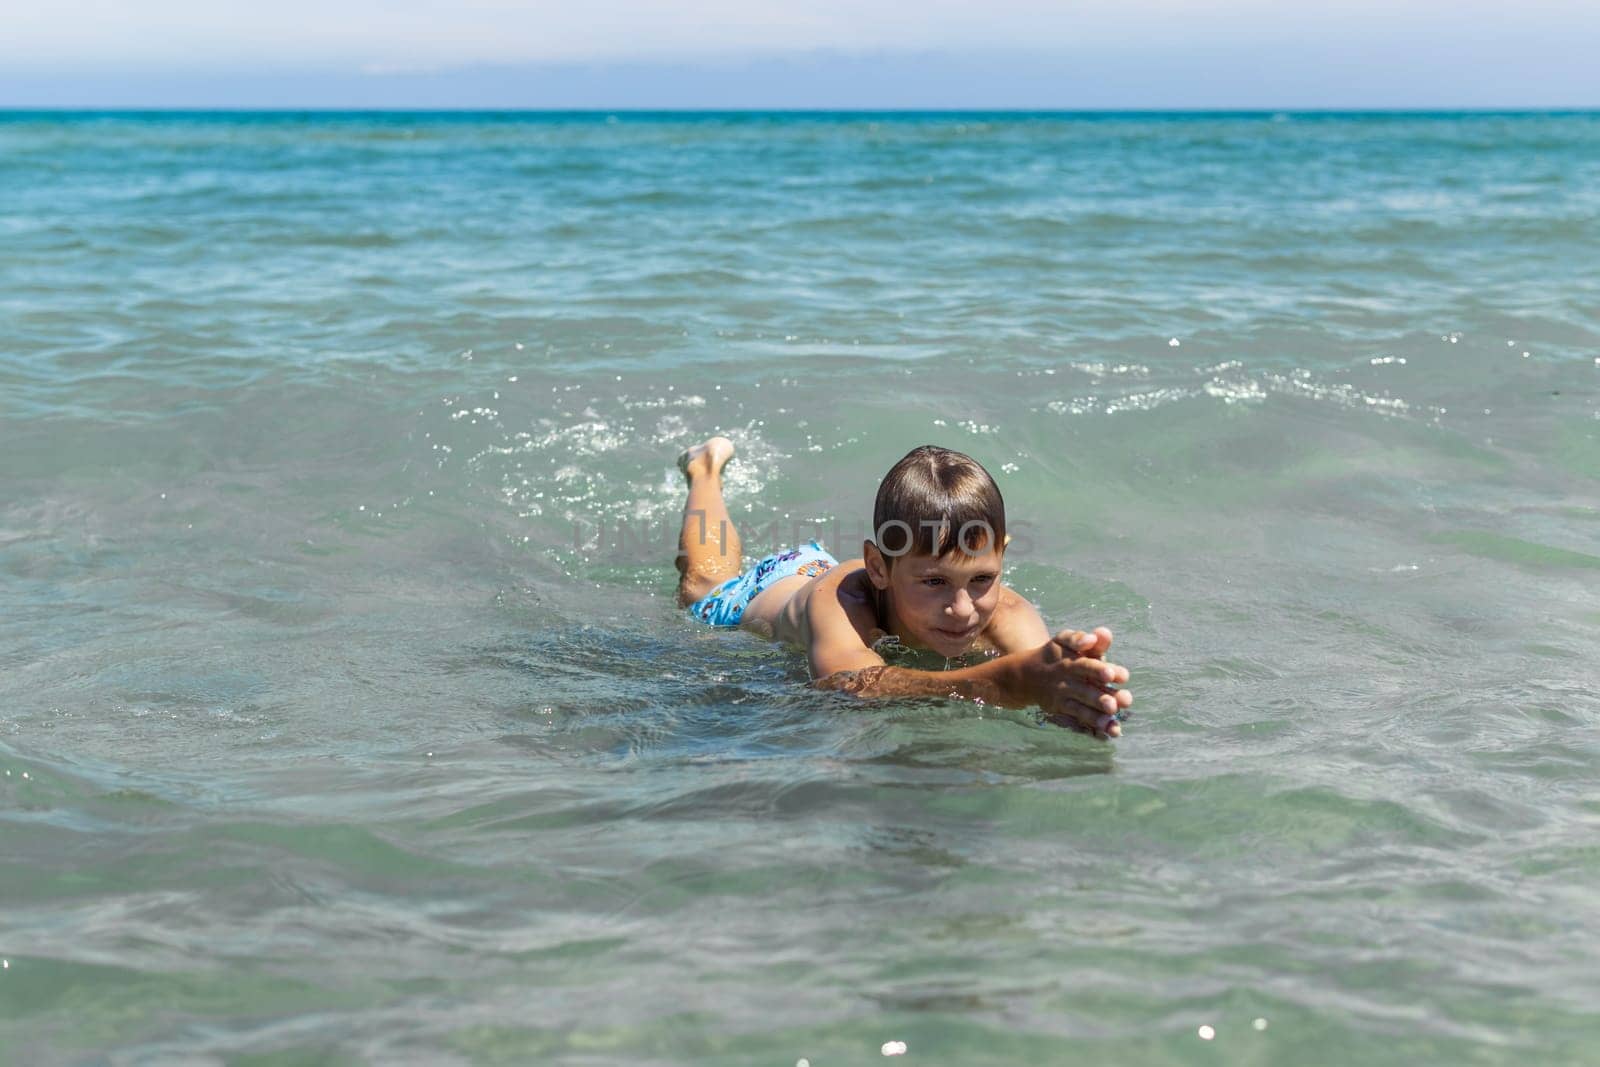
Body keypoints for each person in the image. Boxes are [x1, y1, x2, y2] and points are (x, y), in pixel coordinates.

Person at [673, 437, 1133, 739]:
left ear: (1001, 558)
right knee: (703, 581)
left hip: (845, 575)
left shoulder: (1007, 613)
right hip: (783, 586)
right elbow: (849, 684)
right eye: (934, 582)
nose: (962, 609)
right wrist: (1011, 682)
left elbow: (1040, 674)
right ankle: (705, 469)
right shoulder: (839, 602)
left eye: (981, 579)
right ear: (879, 568)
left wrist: (1079, 696)